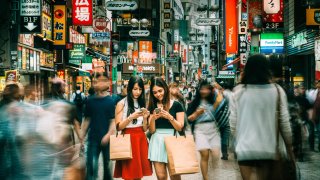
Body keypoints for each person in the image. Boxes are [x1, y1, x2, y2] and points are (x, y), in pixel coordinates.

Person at [230, 54, 294, 180]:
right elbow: (285, 124)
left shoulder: (238, 92)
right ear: (267, 69)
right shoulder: (277, 91)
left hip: (245, 150)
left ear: (247, 69)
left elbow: (233, 124)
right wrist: (289, 147)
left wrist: (240, 139)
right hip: (268, 150)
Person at [114, 76, 153, 179]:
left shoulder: (142, 103)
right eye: (135, 89)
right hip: (128, 138)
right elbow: (118, 127)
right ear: (130, 88)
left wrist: (145, 118)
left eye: (140, 89)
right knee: (129, 174)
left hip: (140, 138)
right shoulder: (121, 103)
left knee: (139, 174)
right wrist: (130, 118)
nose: (138, 92)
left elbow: (145, 129)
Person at [148, 77, 184, 180]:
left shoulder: (177, 105)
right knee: (161, 177)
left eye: (160, 91)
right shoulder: (152, 106)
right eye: (155, 92)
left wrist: (170, 117)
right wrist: (153, 118)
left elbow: (180, 127)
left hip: (172, 139)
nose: (158, 94)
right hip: (156, 141)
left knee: (175, 175)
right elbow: (151, 130)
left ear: (165, 89)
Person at [81, 72, 116, 180]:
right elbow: (87, 120)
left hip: (107, 140)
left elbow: (113, 121)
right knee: (91, 166)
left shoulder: (110, 101)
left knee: (107, 167)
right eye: (96, 81)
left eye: (102, 81)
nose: (98, 84)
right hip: (93, 139)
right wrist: (81, 138)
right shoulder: (90, 101)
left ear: (107, 83)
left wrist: (108, 135)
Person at [186, 80, 221, 180]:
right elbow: (188, 118)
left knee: (215, 154)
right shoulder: (195, 102)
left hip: (213, 128)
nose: (204, 91)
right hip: (200, 129)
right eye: (202, 89)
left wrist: (217, 86)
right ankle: (205, 177)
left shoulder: (213, 100)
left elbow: (221, 97)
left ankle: (212, 172)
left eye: (207, 89)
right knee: (204, 154)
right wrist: (197, 113)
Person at [312, 80, 320, 152]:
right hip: (317, 115)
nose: (316, 84)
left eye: (317, 83)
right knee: (318, 131)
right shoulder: (314, 92)